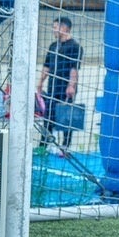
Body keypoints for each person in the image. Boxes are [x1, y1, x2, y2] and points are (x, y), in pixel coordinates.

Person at [39, 15, 84, 148]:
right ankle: (43, 145)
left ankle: (65, 147)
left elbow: (74, 68)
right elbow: (47, 66)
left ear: (64, 28)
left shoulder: (75, 47)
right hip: (53, 88)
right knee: (48, 118)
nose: (53, 30)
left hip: (66, 89)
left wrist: (71, 86)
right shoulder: (53, 46)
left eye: (55, 27)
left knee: (66, 118)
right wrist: (40, 82)